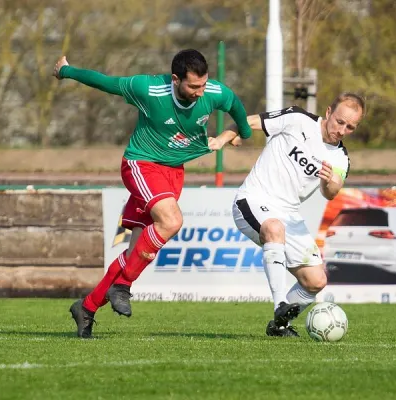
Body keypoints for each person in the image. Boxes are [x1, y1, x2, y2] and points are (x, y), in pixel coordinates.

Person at [53, 49, 253, 338]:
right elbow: (106, 82)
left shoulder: (213, 92)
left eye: (204, 85)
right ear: (175, 80)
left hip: (172, 173)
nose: (200, 92)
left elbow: (234, 103)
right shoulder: (148, 89)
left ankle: (87, 306)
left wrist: (241, 132)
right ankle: (122, 287)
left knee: (136, 252)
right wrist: (66, 71)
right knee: (171, 222)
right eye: (193, 86)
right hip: (141, 164)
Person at [231, 93, 365, 337]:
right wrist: (230, 134)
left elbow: (330, 193)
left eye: (350, 127)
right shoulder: (298, 119)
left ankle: (279, 327)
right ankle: (280, 304)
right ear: (328, 112)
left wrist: (332, 182)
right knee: (274, 228)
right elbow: (252, 122)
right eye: (340, 121)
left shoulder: (340, 159)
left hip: (289, 213)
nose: (342, 130)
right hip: (254, 198)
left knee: (315, 282)